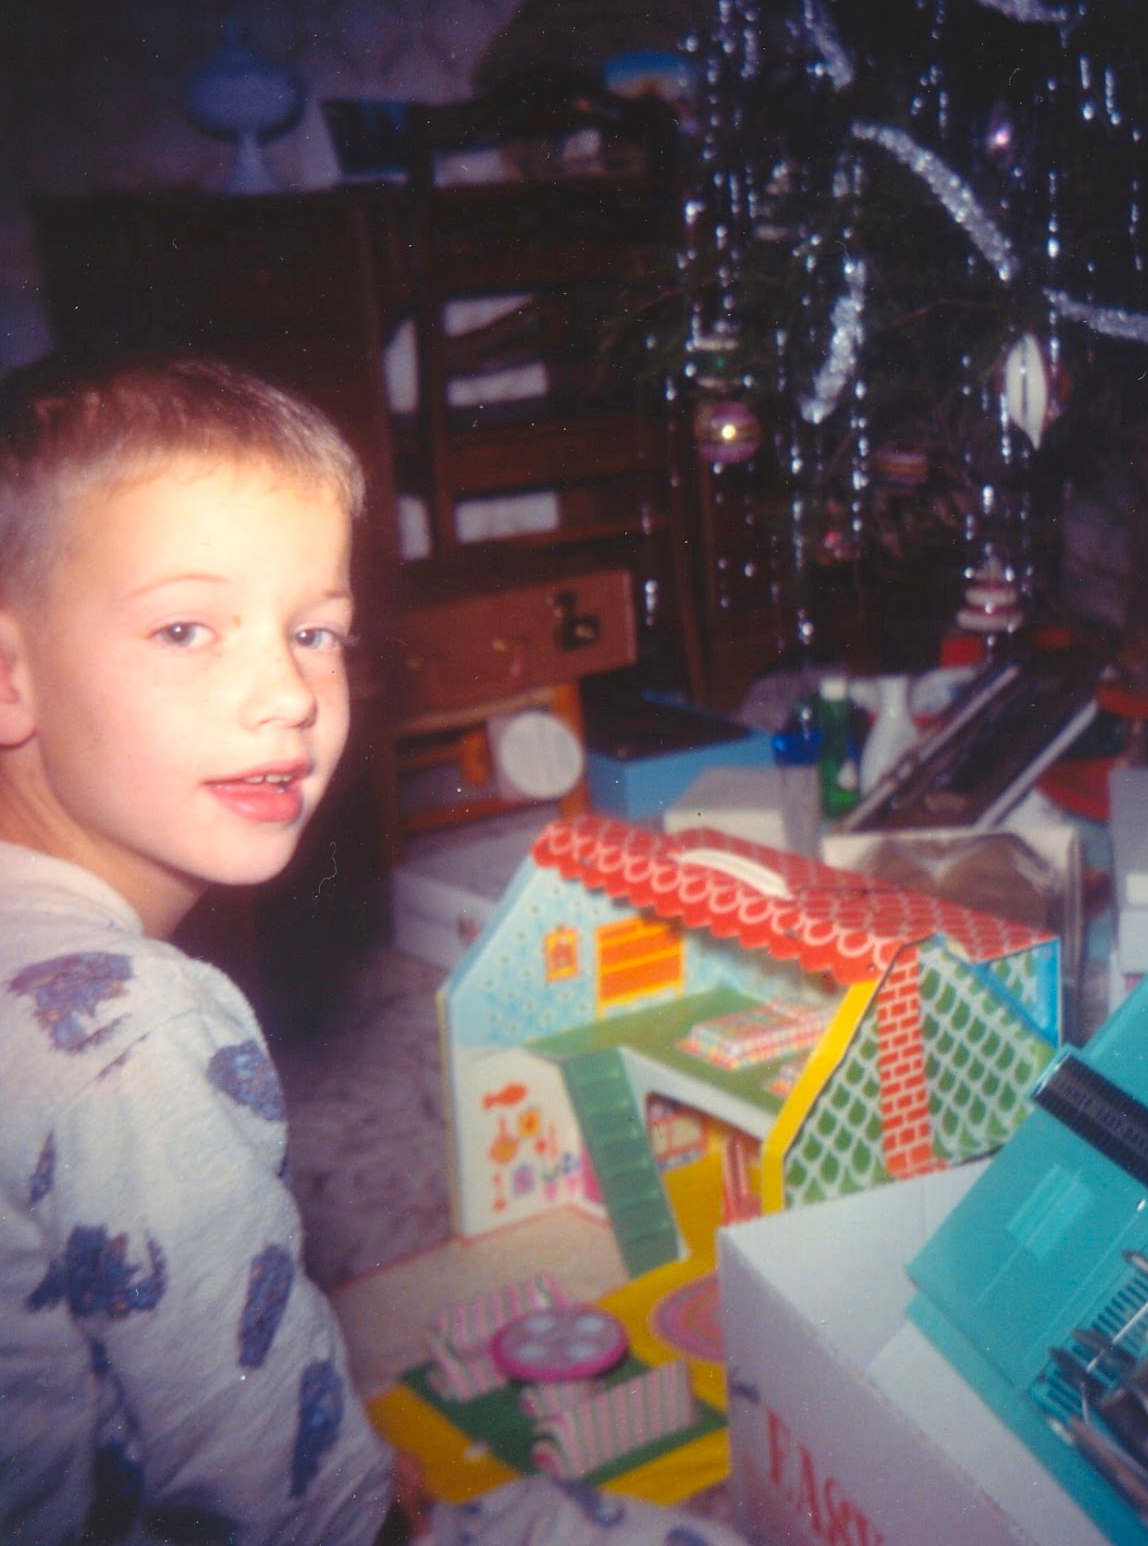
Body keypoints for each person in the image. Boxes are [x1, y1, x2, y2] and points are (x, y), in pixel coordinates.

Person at [0, 352, 745, 1546]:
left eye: (315, 632)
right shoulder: (132, 1033)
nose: (288, 693)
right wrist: (357, 1503)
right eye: (186, 627)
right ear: (8, 675)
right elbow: (274, 1496)